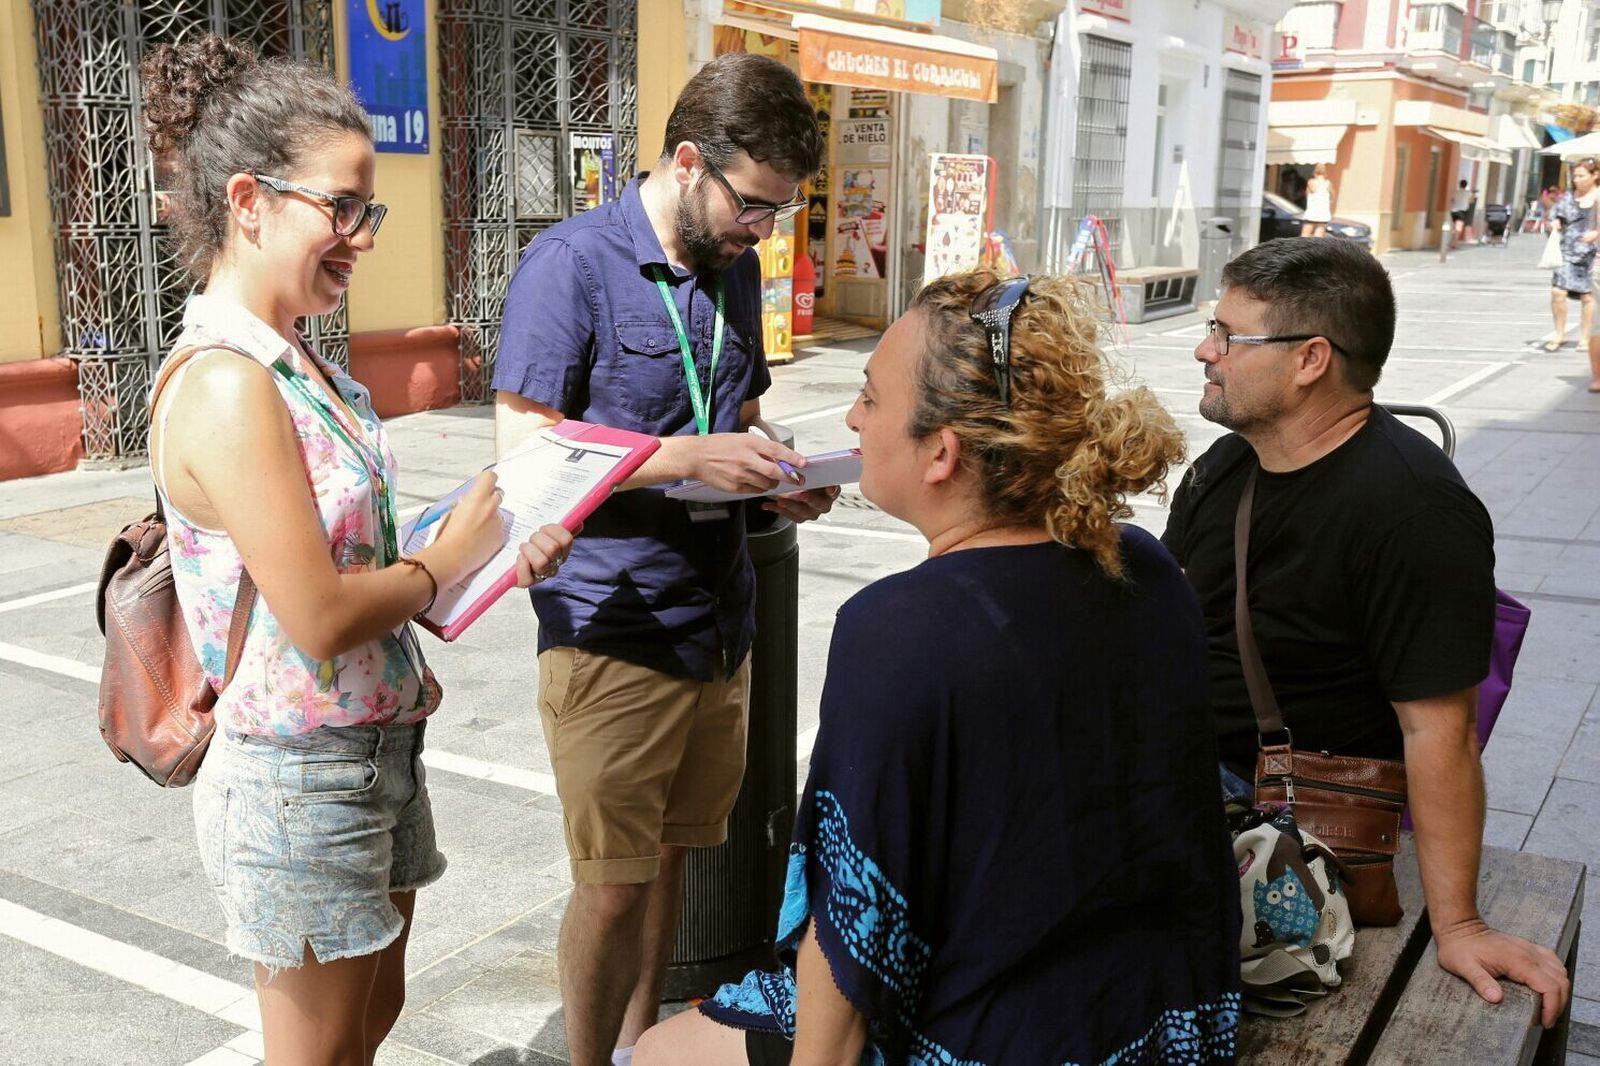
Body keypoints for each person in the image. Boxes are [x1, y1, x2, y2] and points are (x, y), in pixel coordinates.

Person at [633, 270, 1242, 1066]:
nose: (851, 418)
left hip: (999, 1034)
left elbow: (856, 928)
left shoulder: (898, 628)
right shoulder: (1143, 563)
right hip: (1173, 1009)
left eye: (870, 400)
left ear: (941, 453)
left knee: (657, 1054)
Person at [140, 36, 573, 1066]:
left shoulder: (300, 366)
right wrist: (440, 559)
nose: (361, 236)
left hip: (373, 751)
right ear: (248, 200)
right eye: (341, 207)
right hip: (299, 779)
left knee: (365, 1031)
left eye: (364, 211)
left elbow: (351, 553)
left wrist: (488, 544)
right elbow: (320, 613)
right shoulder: (226, 383)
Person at [491, 53, 836, 1066]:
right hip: (613, 627)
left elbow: (742, 409)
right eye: (754, 205)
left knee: (677, 863)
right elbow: (524, 458)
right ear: (689, 161)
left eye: (779, 211)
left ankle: (640, 1047)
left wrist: (779, 473)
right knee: (610, 884)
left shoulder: (737, 266)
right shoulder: (571, 266)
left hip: (718, 625)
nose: (762, 230)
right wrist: (682, 457)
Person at [1160, 237, 1572, 1030]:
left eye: (1227, 334)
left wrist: (1459, 926)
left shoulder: (1413, 510)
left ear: (1311, 358)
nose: (1204, 349)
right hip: (1177, 761)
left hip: (1271, 814)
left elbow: (1439, 731)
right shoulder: (1223, 468)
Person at [1546, 160, 1600, 352]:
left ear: (1595, 175)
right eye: (1574, 176)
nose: (1576, 180)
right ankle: (1559, 333)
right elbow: (1556, 216)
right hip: (1567, 251)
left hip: (1593, 255)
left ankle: (1585, 337)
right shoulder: (1568, 197)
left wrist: (1596, 234)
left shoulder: (1599, 196)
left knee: (1588, 297)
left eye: (1581, 175)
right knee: (1557, 292)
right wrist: (1555, 223)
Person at [1300, 163, 1333, 237]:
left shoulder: (1311, 182)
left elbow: (1307, 194)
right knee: (1318, 239)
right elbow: (1331, 199)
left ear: (1315, 171)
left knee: (1304, 237)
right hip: (1323, 215)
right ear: (1325, 172)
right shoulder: (1328, 184)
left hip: (1312, 214)